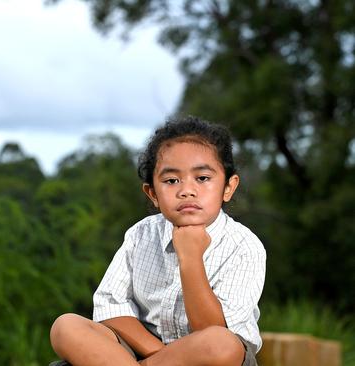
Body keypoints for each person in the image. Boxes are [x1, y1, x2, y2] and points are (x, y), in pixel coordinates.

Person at [49, 116, 266, 366]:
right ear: (152, 193)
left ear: (228, 187)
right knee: (66, 326)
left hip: (207, 358)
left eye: (203, 178)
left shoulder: (244, 247)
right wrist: (157, 355)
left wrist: (191, 258)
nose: (187, 190)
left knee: (223, 344)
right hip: (140, 350)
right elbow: (111, 308)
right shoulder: (140, 235)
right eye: (171, 180)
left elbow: (213, 331)